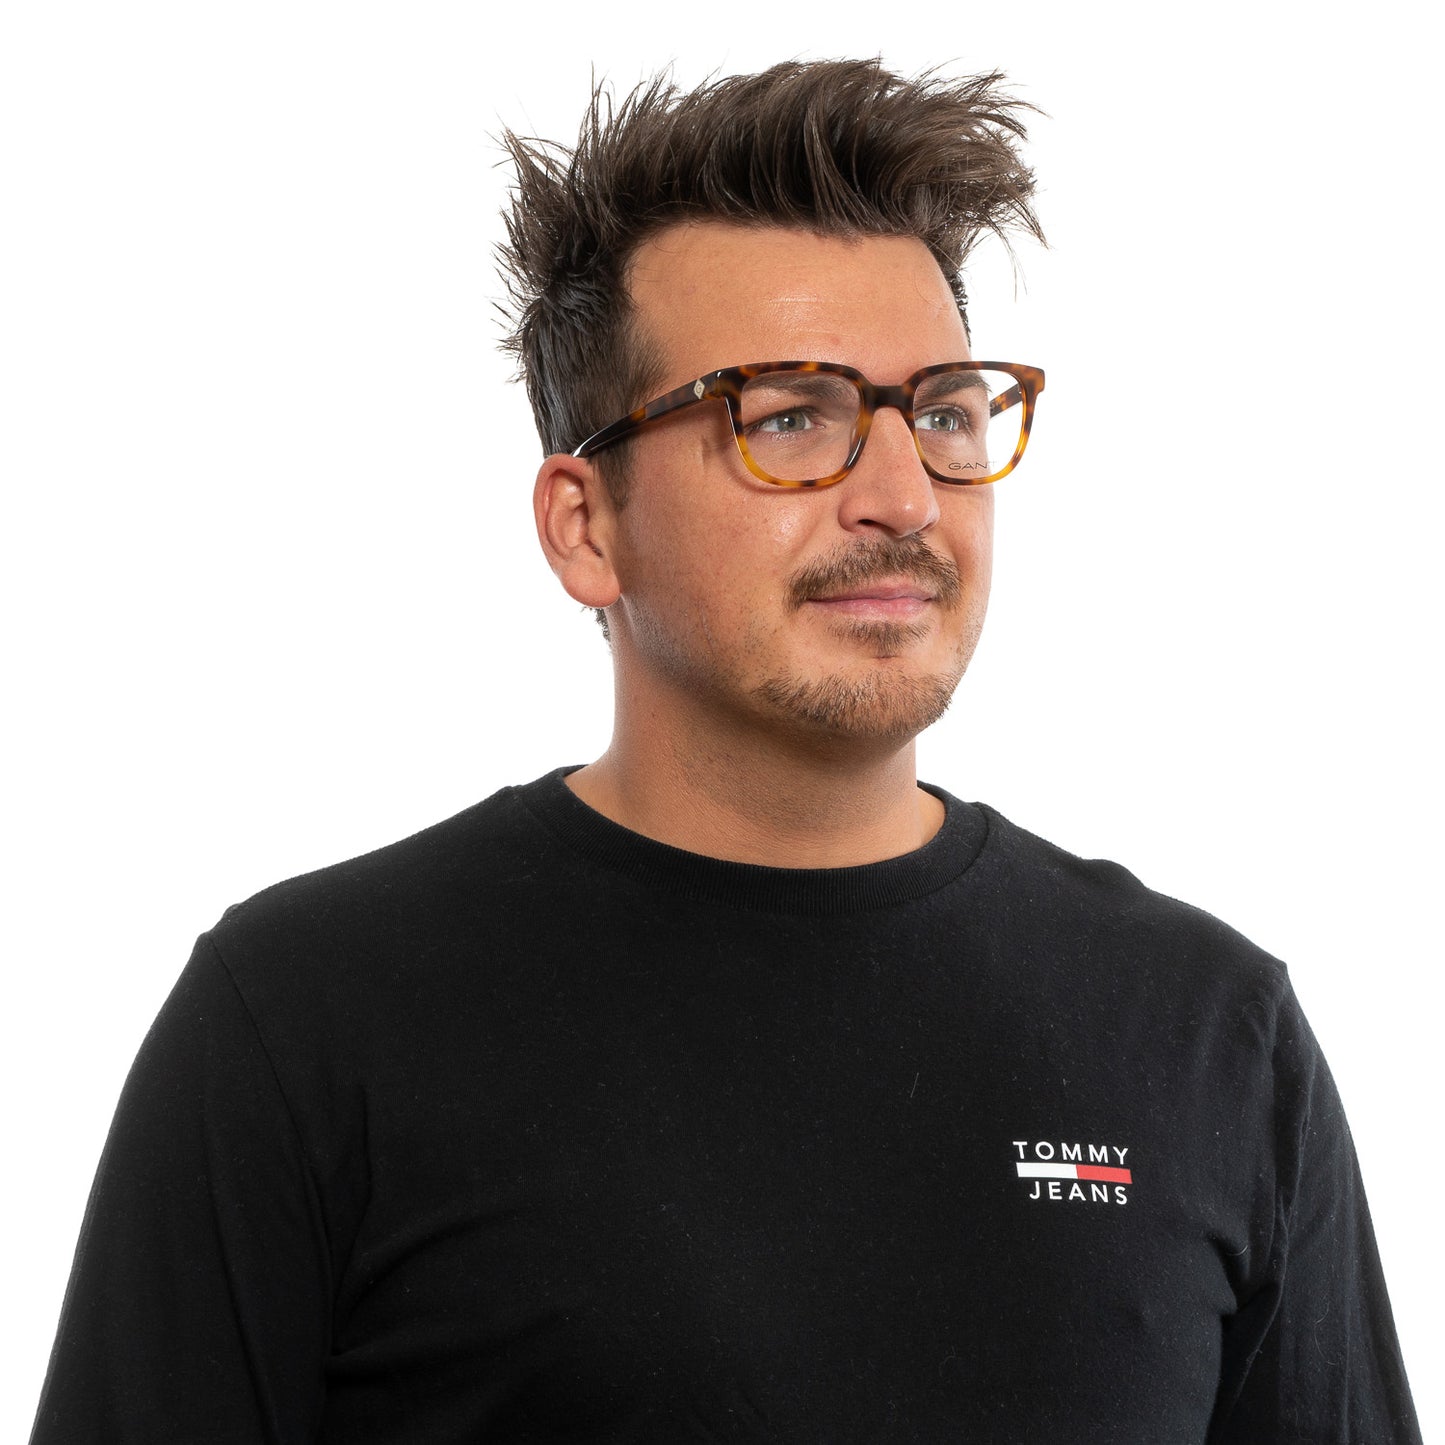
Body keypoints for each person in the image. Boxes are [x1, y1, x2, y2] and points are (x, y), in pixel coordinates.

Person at [29, 59, 1420, 1444]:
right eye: (787, 417)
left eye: (940, 410)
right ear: (585, 526)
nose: (898, 497)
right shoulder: (305, 1021)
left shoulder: (1204, 1034)